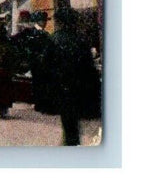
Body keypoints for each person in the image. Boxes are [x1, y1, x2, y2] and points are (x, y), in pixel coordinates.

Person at [41, 8, 100, 146]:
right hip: (79, 86)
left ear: (60, 22)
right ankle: (71, 143)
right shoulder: (81, 40)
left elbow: (45, 64)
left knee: (68, 120)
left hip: (61, 86)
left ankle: (70, 145)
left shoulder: (53, 39)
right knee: (73, 120)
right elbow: (89, 66)